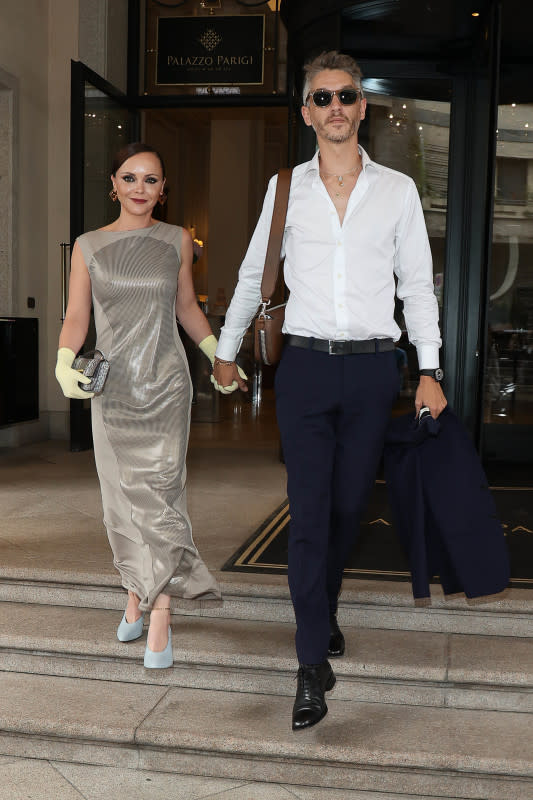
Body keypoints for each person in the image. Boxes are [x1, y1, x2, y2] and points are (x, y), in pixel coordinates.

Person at [212, 51, 447, 729]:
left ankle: (323, 605)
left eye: (345, 96)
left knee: (347, 510)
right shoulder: (285, 187)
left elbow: (416, 287)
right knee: (309, 513)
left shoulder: (397, 191)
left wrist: (428, 368)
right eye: (321, 98)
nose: (334, 108)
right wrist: (226, 353)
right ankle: (311, 663)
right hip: (307, 369)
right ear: (305, 110)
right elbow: (256, 268)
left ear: (362, 106)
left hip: (374, 370)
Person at [55, 142, 226, 669]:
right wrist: (65, 360)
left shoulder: (178, 241)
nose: (139, 188)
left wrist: (218, 355)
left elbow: (187, 310)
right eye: (130, 178)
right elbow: (77, 315)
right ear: (113, 184)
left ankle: (160, 614)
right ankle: (136, 591)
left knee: (161, 498)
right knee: (121, 504)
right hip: (114, 390)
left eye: (151, 180)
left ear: (163, 189)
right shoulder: (87, 245)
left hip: (167, 386)